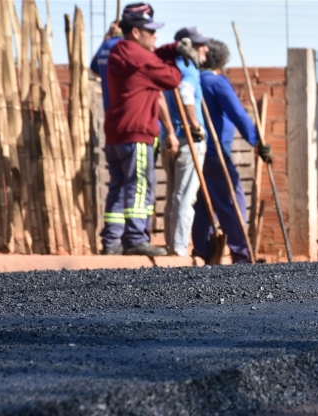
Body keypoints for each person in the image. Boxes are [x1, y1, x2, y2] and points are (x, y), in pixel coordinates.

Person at [101, 2, 199, 257]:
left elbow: (153, 56)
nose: (156, 36)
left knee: (118, 186)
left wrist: (174, 49)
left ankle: (111, 241)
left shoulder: (119, 51)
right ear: (135, 33)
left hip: (115, 134)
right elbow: (172, 79)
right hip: (137, 134)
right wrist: (180, 59)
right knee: (140, 185)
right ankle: (135, 238)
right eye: (151, 31)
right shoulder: (141, 59)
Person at [195, 40, 271, 264]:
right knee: (232, 199)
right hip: (214, 151)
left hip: (196, 152)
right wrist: (257, 142)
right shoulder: (216, 82)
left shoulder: (192, 80)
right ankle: (241, 254)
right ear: (221, 62)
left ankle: (203, 248)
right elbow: (238, 114)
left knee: (202, 201)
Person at [162, 27, 211, 257]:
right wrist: (195, 126)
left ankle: (171, 243)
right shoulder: (188, 68)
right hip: (187, 140)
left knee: (173, 195)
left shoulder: (169, 68)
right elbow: (185, 93)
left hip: (170, 139)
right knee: (185, 197)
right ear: (189, 46)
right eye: (201, 46)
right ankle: (179, 248)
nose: (206, 50)